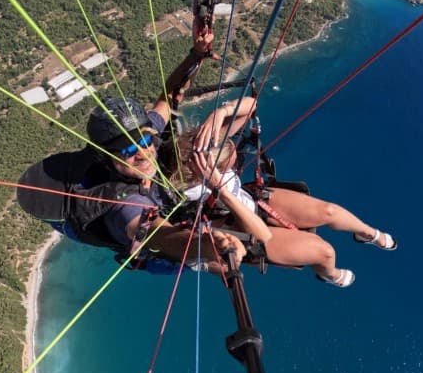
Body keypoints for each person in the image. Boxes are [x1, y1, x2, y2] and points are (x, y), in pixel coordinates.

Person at [164, 96, 396, 287]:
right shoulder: (186, 192)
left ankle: (366, 232)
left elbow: (251, 105)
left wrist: (220, 114)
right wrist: (221, 191)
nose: (235, 148)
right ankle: (330, 274)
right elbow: (263, 235)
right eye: (230, 156)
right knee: (325, 251)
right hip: (244, 231)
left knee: (329, 211)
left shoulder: (206, 148)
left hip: (253, 201)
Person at [78, 25, 247, 272]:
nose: (142, 153)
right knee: (221, 268)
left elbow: (169, 97)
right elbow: (159, 236)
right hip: (163, 253)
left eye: (145, 143)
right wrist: (207, 247)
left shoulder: (149, 132)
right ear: (108, 159)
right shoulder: (125, 201)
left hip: (175, 207)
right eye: (128, 152)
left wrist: (195, 55)